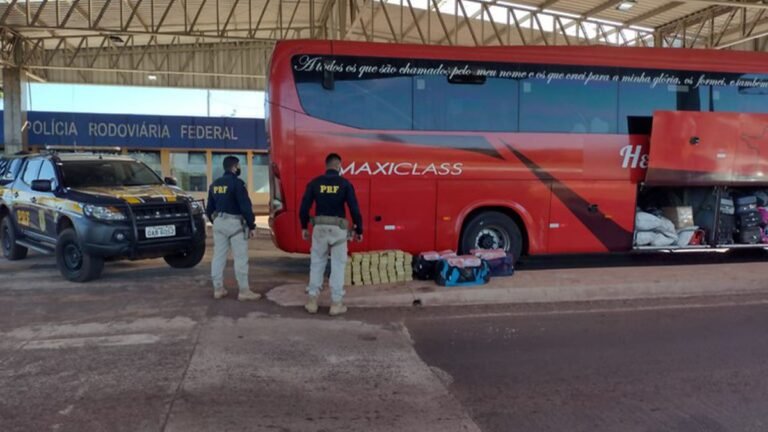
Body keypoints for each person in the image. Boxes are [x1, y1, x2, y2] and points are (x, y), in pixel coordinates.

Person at [299, 153, 363, 316]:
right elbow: (354, 208)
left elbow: (304, 207)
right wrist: (359, 229)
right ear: (339, 166)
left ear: (326, 165)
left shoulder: (315, 183)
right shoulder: (345, 183)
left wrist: (304, 227)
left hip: (319, 227)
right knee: (338, 266)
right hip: (338, 229)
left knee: (317, 263)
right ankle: (336, 303)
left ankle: (312, 301)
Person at [206, 155, 261, 301]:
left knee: (218, 257)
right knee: (240, 258)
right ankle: (244, 291)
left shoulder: (215, 184)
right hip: (235, 224)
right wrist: (252, 225)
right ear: (234, 167)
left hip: (219, 223)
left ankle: (218, 289)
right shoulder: (238, 184)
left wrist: (216, 221)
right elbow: (245, 206)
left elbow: (209, 209)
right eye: (238, 166)